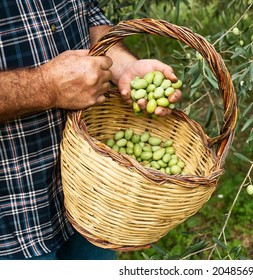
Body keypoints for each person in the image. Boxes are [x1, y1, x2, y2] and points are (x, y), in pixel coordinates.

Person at [0, 0, 181, 260]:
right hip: (16, 222)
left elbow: (89, 15)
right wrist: (46, 85)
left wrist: (122, 66)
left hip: (96, 196)